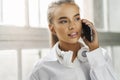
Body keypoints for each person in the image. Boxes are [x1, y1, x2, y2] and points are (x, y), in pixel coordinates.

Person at [28, 0, 120, 80]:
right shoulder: (41, 69)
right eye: (64, 21)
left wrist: (95, 49)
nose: (72, 26)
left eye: (76, 18)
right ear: (52, 28)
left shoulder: (101, 56)